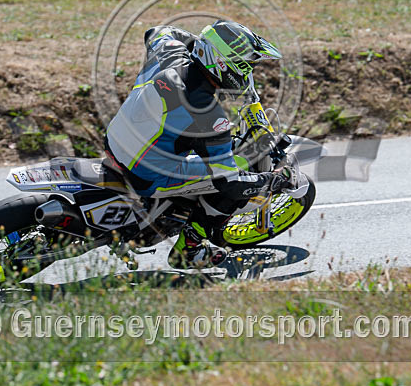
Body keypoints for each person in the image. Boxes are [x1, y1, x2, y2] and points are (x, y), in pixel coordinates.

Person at [105, 21, 302, 269]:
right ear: (223, 65)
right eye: (245, 66)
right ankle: (190, 249)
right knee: (241, 170)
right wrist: (274, 180)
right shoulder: (209, 116)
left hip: (115, 140)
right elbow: (229, 183)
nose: (248, 73)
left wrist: (198, 43)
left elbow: (155, 31)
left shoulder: (170, 53)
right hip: (145, 174)